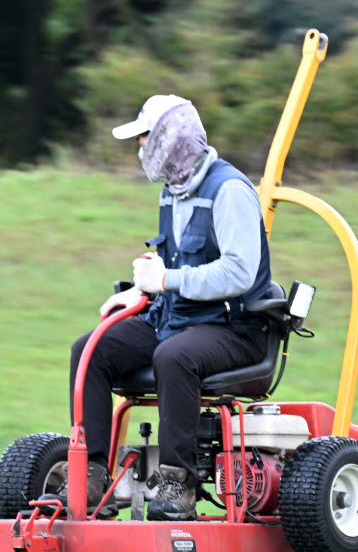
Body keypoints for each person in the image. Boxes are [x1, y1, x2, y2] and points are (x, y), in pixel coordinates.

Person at [43, 95, 272, 521]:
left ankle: (176, 483)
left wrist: (165, 281)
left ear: (170, 139)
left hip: (233, 329)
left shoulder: (230, 191)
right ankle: (92, 477)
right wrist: (141, 292)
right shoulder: (172, 192)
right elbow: (176, 266)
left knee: (174, 356)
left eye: (144, 137)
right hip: (176, 319)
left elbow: (240, 274)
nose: (140, 148)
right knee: (89, 349)